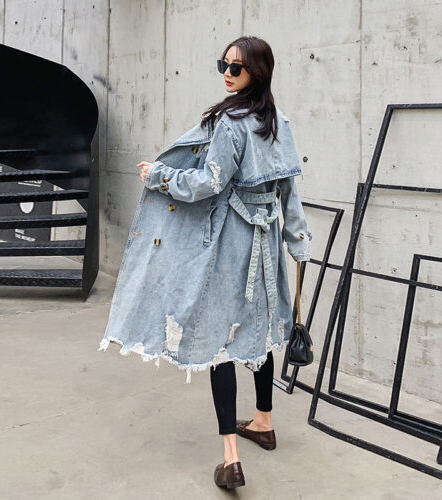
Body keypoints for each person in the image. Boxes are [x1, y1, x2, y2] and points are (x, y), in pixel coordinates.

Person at [98, 35, 312, 489]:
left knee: (220, 343)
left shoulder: (231, 123)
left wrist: (158, 175)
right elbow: (289, 194)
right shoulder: (281, 124)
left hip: (231, 247)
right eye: (223, 65)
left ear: (258, 71)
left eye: (236, 67)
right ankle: (264, 422)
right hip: (267, 249)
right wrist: (298, 246)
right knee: (257, 335)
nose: (227, 74)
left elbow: (207, 184)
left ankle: (231, 458)